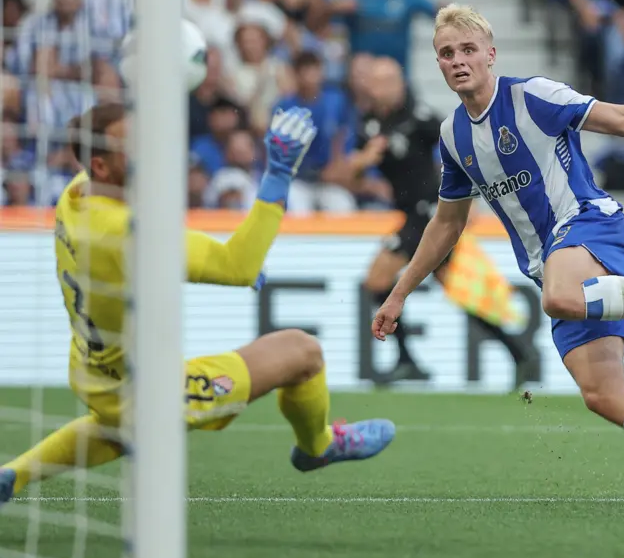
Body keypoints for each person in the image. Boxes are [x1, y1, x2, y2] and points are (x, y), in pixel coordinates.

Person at [372, 4, 624, 507]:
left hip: (588, 222)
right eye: (447, 53)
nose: (458, 60)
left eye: (468, 49)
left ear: (491, 54)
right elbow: (447, 223)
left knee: (560, 297)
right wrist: (399, 294)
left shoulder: (533, 96)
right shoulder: (453, 136)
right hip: (548, 261)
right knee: (604, 396)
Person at [0, 105, 395, 507]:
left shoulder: (76, 195)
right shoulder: (128, 235)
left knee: (119, 426)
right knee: (303, 353)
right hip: (152, 389)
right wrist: (279, 172)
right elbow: (238, 267)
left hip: (92, 369)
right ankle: (318, 447)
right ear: (101, 165)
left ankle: (13, 475)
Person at [351, 57, 529, 383]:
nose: (383, 88)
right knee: (458, 291)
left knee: (377, 279)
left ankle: (407, 359)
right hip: (409, 213)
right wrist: (363, 161)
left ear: (401, 84)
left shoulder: (420, 118)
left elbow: (462, 151)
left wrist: (467, 200)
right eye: (377, 81)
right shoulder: (368, 124)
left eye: (390, 80)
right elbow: (353, 178)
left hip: (429, 212)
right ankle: (519, 354)